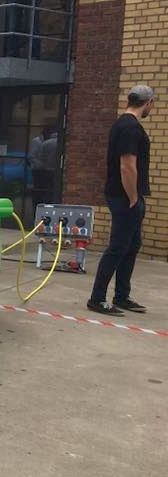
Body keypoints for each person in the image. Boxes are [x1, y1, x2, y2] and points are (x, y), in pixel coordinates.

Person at [87, 84, 155, 316]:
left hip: (126, 196)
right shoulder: (130, 127)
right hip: (125, 197)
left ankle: (122, 296)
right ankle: (97, 298)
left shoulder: (123, 124)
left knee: (132, 245)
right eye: (152, 105)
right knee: (117, 247)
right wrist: (133, 197)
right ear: (148, 103)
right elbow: (127, 166)